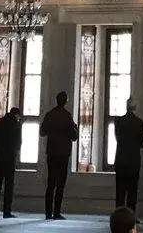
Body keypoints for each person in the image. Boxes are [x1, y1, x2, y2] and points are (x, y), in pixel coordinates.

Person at [40, 91, 79, 220]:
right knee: (60, 184)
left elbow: (42, 132)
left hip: (52, 152)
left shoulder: (50, 114)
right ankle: (56, 212)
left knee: (51, 183)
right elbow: (74, 136)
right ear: (65, 101)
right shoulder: (67, 116)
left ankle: (48, 213)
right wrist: (75, 128)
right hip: (63, 153)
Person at [113, 97, 143, 212]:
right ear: (135, 107)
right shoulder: (138, 122)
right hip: (133, 161)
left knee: (120, 190)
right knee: (132, 191)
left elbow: (118, 138)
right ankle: (130, 214)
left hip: (121, 159)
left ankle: (119, 214)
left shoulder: (118, 121)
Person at [0, 105, 22, 219]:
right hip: (10, 157)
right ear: (17, 115)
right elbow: (18, 142)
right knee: (9, 185)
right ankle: (6, 211)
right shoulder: (16, 124)